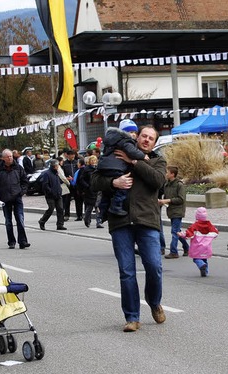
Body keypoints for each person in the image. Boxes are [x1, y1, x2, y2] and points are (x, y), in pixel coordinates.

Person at [91, 125, 167, 332]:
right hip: (120, 221)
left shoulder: (157, 160)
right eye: (144, 136)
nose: (146, 140)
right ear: (137, 137)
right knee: (127, 271)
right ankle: (132, 317)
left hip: (147, 220)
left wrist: (135, 162)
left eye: (151, 138)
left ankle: (154, 302)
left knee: (154, 267)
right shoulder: (117, 153)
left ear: (154, 143)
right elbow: (95, 180)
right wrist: (114, 182)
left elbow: (158, 181)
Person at [97, 119, 146, 218]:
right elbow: (132, 151)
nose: (134, 135)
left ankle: (103, 210)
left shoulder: (112, 141)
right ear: (124, 132)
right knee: (123, 186)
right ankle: (116, 205)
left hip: (105, 166)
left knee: (107, 193)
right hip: (116, 167)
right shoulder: (126, 141)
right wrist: (142, 156)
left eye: (135, 133)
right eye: (131, 132)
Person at [0, 149, 30, 249]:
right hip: (5, 198)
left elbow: (25, 181)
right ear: (3, 158)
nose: (10, 158)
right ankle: (11, 241)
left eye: (11, 156)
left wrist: (22, 191)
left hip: (17, 197)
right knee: (8, 221)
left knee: (20, 219)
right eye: (7, 157)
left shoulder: (18, 168)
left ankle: (23, 241)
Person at [178, 207, 219, 277]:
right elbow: (216, 232)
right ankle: (205, 271)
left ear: (196, 216)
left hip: (197, 247)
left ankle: (202, 265)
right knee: (204, 258)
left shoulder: (195, 226)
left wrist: (181, 234)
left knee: (196, 258)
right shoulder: (209, 225)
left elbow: (188, 233)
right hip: (206, 247)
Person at [160, 166, 190, 259]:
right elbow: (166, 196)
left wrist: (167, 200)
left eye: (167, 172)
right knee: (177, 231)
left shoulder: (179, 185)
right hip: (171, 211)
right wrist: (162, 201)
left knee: (174, 231)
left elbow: (181, 199)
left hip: (178, 211)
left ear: (172, 174)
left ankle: (174, 251)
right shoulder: (166, 184)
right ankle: (187, 248)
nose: (166, 174)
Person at [38, 159, 67, 231]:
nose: (58, 167)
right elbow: (45, 185)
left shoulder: (56, 173)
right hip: (50, 195)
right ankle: (42, 221)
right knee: (51, 209)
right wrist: (50, 192)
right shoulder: (47, 174)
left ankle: (60, 224)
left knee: (60, 209)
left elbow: (58, 182)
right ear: (54, 166)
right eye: (57, 165)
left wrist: (60, 190)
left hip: (58, 194)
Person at [78, 155, 103, 228]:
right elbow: (81, 179)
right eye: (92, 160)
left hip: (98, 189)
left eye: (95, 160)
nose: (93, 162)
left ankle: (98, 222)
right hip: (90, 190)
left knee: (98, 206)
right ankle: (86, 219)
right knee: (90, 206)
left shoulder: (98, 169)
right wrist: (87, 186)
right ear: (89, 161)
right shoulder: (86, 169)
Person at [61, 150, 78, 221]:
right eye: (71, 155)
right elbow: (62, 173)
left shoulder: (76, 162)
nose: (72, 156)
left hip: (76, 183)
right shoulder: (64, 163)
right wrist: (66, 178)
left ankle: (79, 215)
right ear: (67, 155)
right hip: (68, 184)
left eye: (73, 154)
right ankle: (66, 214)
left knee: (78, 200)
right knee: (67, 200)